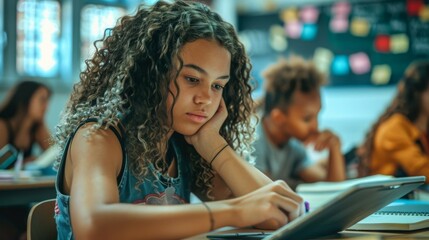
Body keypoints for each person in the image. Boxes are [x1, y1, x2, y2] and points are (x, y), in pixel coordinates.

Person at [53, 1, 304, 239]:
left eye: (218, 86)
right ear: (150, 74)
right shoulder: (99, 137)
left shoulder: (181, 147)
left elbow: (278, 215)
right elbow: (94, 227)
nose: (206, 98)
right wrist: (235, 210)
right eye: (192, 79)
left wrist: (212, 144)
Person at [252, 56, 346, 190]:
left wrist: (334, 147)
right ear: (278, 118)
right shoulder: (253, 140)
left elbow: (332, 189)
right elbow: (267, 193)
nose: (315, 127)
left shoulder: (293, 146)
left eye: (317, 116)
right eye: (307, 119)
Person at [359, 61, 429, 183]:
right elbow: (422, 171)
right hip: (386, 200)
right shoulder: (394, 128)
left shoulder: (422, 129)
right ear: (417, 93)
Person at [0, 80, 52, 240]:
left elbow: (55, 153)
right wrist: (23, 164)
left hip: (21, 200)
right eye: (42, 100)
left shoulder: (36, 128)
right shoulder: (2, 125)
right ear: (25, 99)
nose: (46, 106)